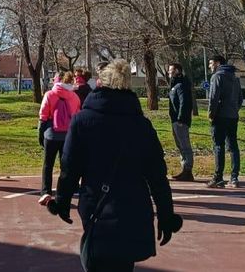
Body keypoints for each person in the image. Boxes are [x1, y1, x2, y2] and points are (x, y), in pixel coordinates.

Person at [41, 59, 182, 272]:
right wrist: (166, 214)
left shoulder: (83, 121)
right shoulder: (141, 125)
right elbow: (157, 176)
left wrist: (62, 202)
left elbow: (70, 168)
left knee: (96, 260)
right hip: (133, 207)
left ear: (100, 84)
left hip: (96, 205)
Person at [38, 71, 82, 196]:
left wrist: (40, 134)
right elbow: (77, 116)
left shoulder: (50, 95)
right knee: (66, 164)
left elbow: (43, 116)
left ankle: (46, 191)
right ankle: (66, 189)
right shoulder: (74, 97)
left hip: (51, 134)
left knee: (48, 164)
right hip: (68, 135)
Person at [206, 53, 243, 188]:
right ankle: (234, 177)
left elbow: (213, 97)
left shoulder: (217, 76)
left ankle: (218, 177)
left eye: (211, 63)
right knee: (233, 146)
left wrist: (211, 114)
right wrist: (234, 109)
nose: (209, 66)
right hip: (233, 116)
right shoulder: (234, 78)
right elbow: (240, 99)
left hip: (220, 116)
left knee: (218, 146)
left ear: (217, 63)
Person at [167, 63, 195, 182]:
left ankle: (188, 170)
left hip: (180, 121)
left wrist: (180, 119)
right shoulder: (175, 84)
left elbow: (185, 103)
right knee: (180, 146)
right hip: (175, 120)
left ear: (177, 70)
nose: (169, 73)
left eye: (171, 70)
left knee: (185, 146)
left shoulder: (181, 84)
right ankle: (184, 169)